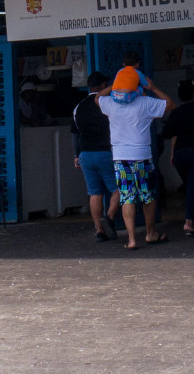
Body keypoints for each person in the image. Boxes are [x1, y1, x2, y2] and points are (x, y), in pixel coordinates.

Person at [100, 67, 175, 248]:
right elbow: (170, 105)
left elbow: (95, 97)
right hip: (142, 158)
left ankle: (132, 239)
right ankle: (150, 233)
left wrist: (111, 88)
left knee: (127, 198)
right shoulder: (145, 103)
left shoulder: (109, 103)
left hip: (121, 159)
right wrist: (152, 87)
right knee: (147, 196)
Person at [71, 71, 121, 242]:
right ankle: (109, 217)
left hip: (86, 154)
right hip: (105, 153)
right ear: (102, 85)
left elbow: (75, 134)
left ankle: (99, 230)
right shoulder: (107, 103)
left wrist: (77, 155)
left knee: (94, 193)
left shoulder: (79, 107)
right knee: (118, 189)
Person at [164, 80, 194, 236]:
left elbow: (167, 133)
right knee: (193, 187)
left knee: (191, 186)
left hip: (180, 155)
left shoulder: (177, 113)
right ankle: (189, 221)